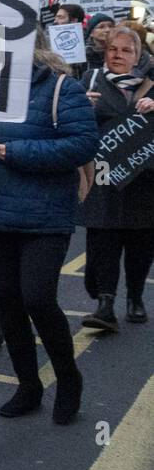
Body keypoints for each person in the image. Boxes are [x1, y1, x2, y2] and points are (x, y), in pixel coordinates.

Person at [0, 36, 98, 424]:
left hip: (46, 216)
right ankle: (28, 385)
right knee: (8, 302)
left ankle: (68, 378)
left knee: (37, 297)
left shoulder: (60, 88)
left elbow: (84, 144)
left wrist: (13, 152)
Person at [77, 25, 154, 329]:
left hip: (145, 178)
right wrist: (82, 106)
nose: (118, 55)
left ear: (137, 55)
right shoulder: (89, 79)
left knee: (141, 242)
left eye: (126, 50)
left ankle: (135, 298)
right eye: (113, 49)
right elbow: (68, 120)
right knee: (103, 240)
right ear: (104, 52)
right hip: (104, 176)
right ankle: (104, 304)